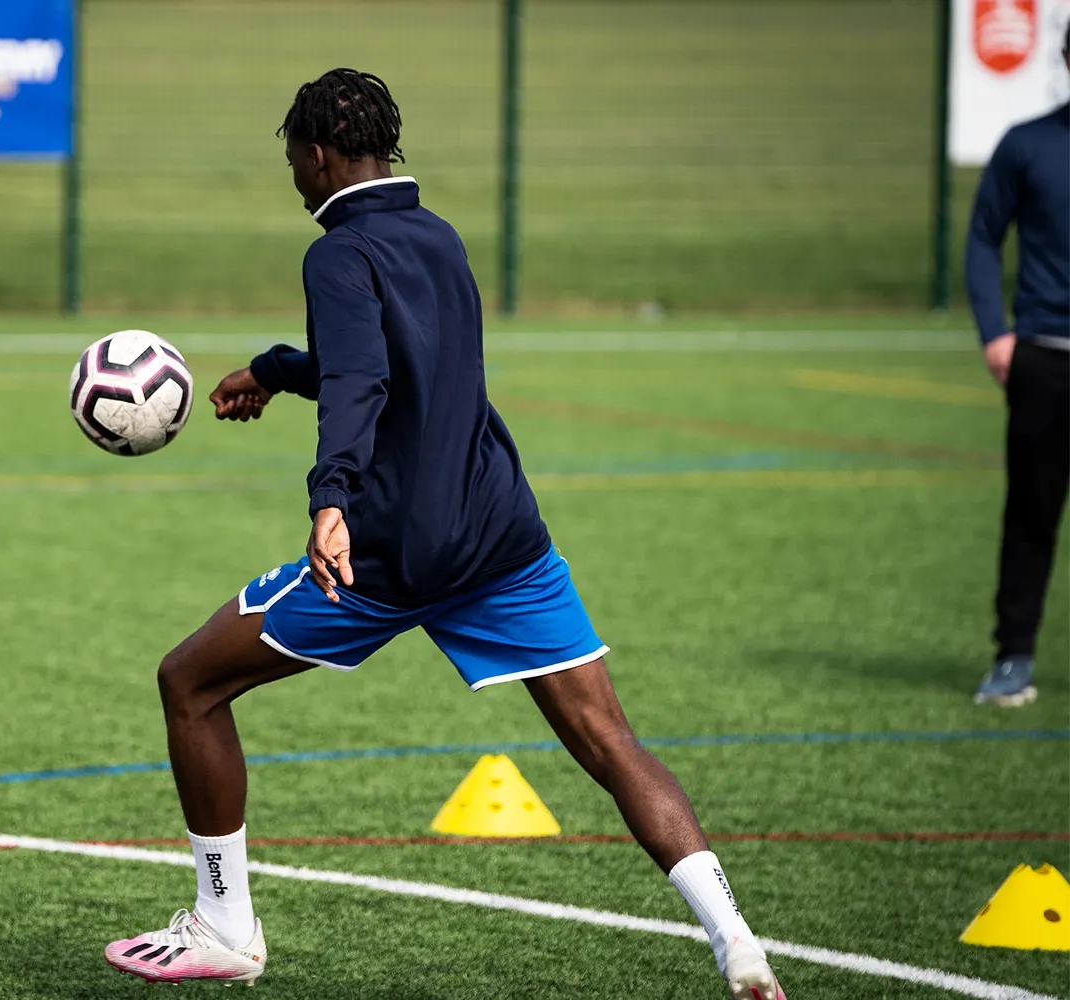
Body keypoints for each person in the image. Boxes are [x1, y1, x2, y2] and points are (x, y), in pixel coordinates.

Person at [103, 69, 785, 1000]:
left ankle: (225, 924)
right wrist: (272, 368)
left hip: (389, 555)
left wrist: (330, 501)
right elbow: (394, 367)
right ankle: (737, 941)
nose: (294, 176)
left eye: (294, 158)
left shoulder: (334, 257)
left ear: (319, 153)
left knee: (189, 682)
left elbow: (360, 385)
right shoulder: (439, 234)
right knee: (609, 739)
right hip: (501, 537)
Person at [963, 23, 1070, 708]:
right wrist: (996, 332)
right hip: (1045, 359)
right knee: (1031, 513)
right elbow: (979, 237)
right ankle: (1014, 657)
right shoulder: (1028, 144)